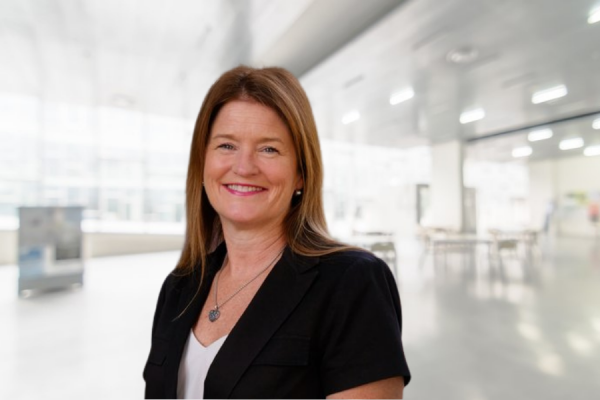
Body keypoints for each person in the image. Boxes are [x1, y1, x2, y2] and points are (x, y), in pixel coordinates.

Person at [143, 65, 411, 399]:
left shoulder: (352, 283)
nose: (243, 167)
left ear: (300, 174)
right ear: (202, 164)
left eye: (269, 149)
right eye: (226, 145)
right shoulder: (179, 288)